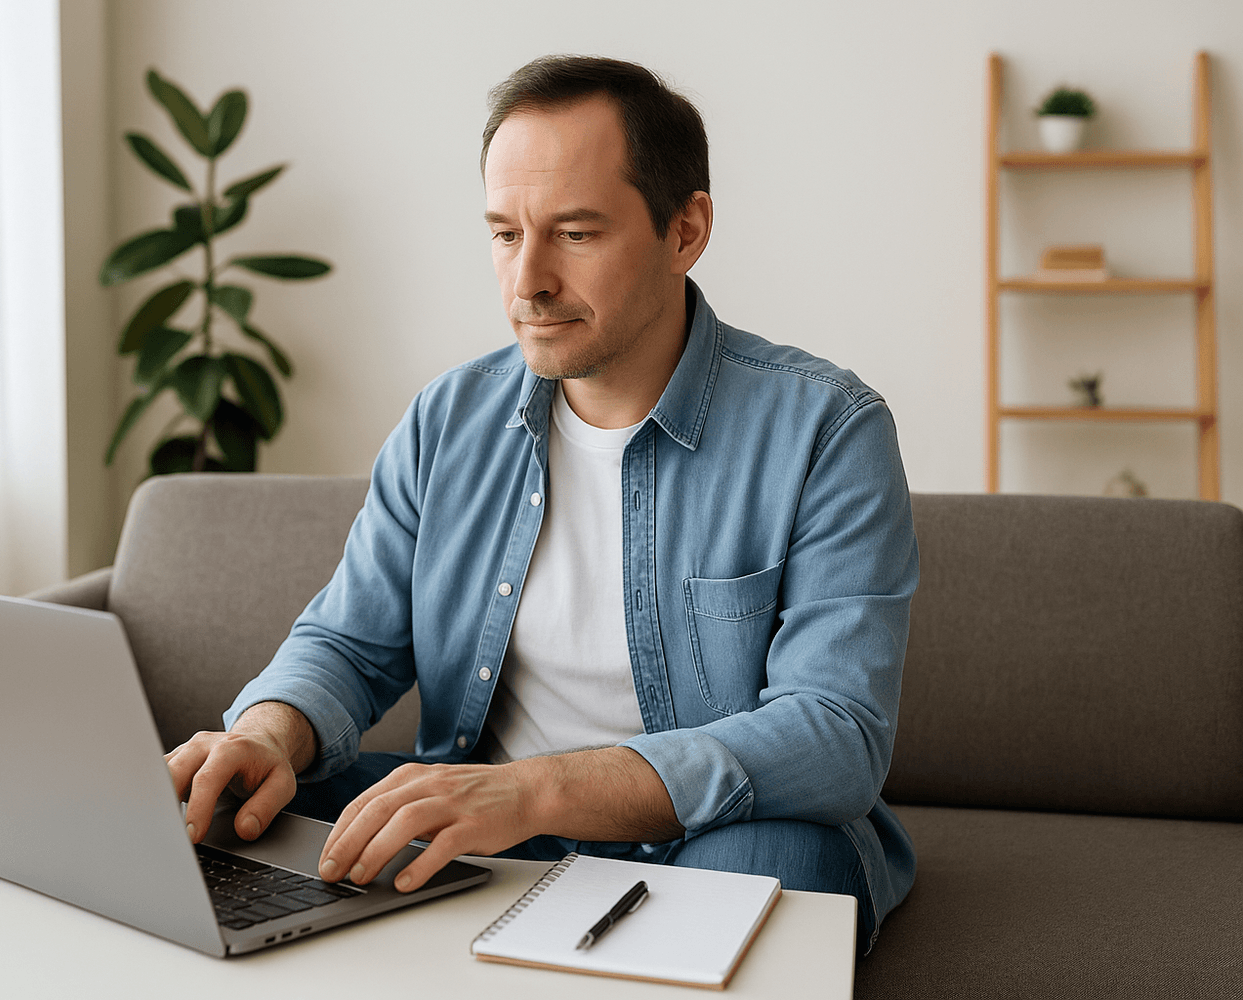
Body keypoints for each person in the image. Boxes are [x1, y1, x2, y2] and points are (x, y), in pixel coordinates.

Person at [166, 54, 918, 953]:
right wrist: (266, 735)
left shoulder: (826, 429)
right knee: (231, 811)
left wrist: (534, 791)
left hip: (707, 831)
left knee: (785, 871)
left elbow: (834, 734)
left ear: (685, 231)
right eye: (504, 234)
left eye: (576, 233)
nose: (528, 282)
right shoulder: (448, 418)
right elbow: (348, 642)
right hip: (483, 809)